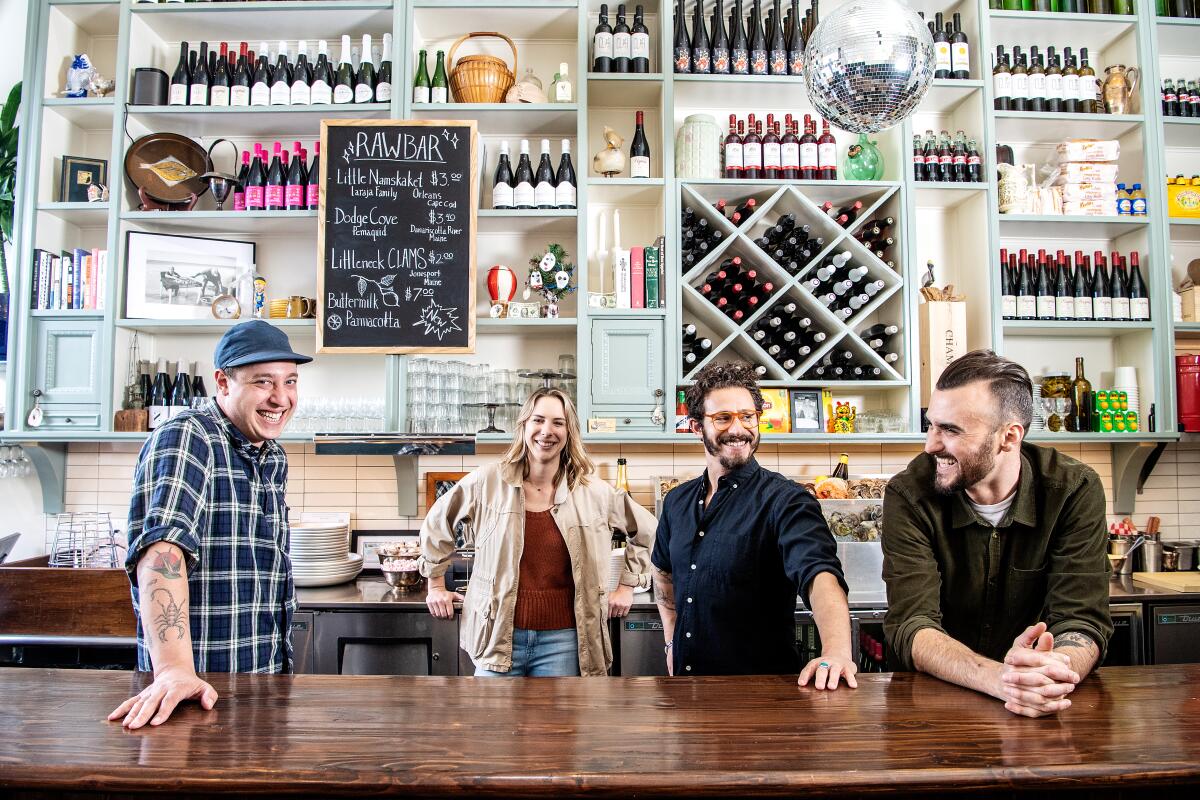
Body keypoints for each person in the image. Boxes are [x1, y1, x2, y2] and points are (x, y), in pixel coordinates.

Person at [882, 350, 1113, 718]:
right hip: (934, 709)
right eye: (932, 424)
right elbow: (911, 624)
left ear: (1009, 436)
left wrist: (1054, 669)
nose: (931, 444)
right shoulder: (909, 493)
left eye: (951, 430)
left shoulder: (1073, 489)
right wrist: (1003, 679)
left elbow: (1082, 619)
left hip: (1044, 702)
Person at [109, 320, 311, 729]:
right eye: (263, 382)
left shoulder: (270, 456)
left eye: (289, 382)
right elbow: (161, 551)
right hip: (195, 695)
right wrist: (173, 670)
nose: (280, 398)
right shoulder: (189, 438)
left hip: (258, 685)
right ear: (222, 382)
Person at [420, 387, 655, 677]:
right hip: (498, 637)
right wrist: (435, 586)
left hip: (567, 642)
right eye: (538, 420)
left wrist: (627, 585)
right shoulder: (488, 481)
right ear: (524, 426)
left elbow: (649, 531)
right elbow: (436, 522)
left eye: (558, 422)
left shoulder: (594, 492)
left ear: (569, 432)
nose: (547, 431)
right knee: (492, 722)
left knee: (562, 724)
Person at [652, 362, 856, 687]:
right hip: (689, 692)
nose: (739, 429)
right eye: (723, 418)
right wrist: (671, 640)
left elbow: (819, 573)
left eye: (748, 416)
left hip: (764, 697)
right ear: (695, 426)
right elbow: (662, 571)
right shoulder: (676, 502)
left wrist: (837, 651)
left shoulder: (786, 500)